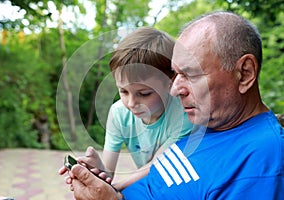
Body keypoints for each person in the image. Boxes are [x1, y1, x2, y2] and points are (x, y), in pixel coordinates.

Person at [62, 11, 284, 199]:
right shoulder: (209, 125)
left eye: (191, 75)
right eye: (176, 74)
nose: (175, 89)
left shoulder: (259, 162)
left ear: (244, 73)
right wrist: (103, 183)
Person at [59, 27, 193, 190]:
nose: (131, 103)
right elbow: (107, 174)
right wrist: (96, 171)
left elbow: (157, 165)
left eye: (144, 94)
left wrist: (114, 189)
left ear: (171, 81)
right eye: (123, 91)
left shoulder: (183, 114)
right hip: (147, 186)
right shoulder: (118, 113)